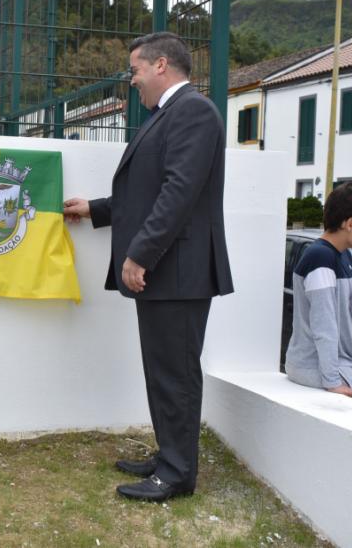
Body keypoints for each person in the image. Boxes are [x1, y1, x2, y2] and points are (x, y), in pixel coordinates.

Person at [64, 31, 233, 503]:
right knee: (163, 370)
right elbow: (147, 192)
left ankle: (177, 474)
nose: (131, 79)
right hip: (169, 269)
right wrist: (95, 209)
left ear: (161, 65)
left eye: (134, 69)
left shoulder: (193, 112)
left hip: (176, 270)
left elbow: (178, 192)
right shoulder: (168, 115)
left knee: (175, 372)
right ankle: (169, 456)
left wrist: (139, 254)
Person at [284, 183, 352, 398]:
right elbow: (324, 324)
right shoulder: (321, 258)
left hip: (327, 368)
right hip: (318, 369)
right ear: (350, 223)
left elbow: (350, 315)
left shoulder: (342, 254)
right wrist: (332, 381)